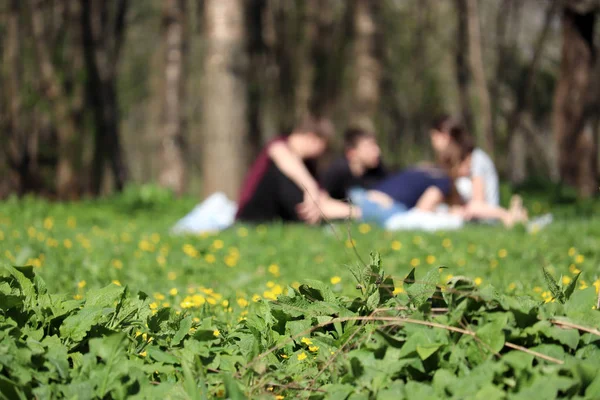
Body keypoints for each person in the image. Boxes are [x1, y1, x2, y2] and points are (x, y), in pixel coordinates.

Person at [236, 115, 337, 223]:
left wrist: (353, 210)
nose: (322, 152)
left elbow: (321, 198)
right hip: (252, 213)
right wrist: (311, 188)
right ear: (313, 139)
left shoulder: (308, 165)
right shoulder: (279, 145)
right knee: (283, 173)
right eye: (323, 146)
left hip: (281, 215)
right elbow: (281, 154)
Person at [430, 115, 527, 226]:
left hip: (482, 212)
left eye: (435, 138)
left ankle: (506, 215)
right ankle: (512, 214)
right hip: (467, 212)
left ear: (447, 137)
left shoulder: (477, 158)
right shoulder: (451, 162)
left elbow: (478, 201)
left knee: (472, 208)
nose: (433, 143)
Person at [320, 128, 387, 200]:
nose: (377, 151)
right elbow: (320, 202)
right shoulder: (337, 171)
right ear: (351, 153)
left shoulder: (378, 170)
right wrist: (359, 210)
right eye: (370, 146)